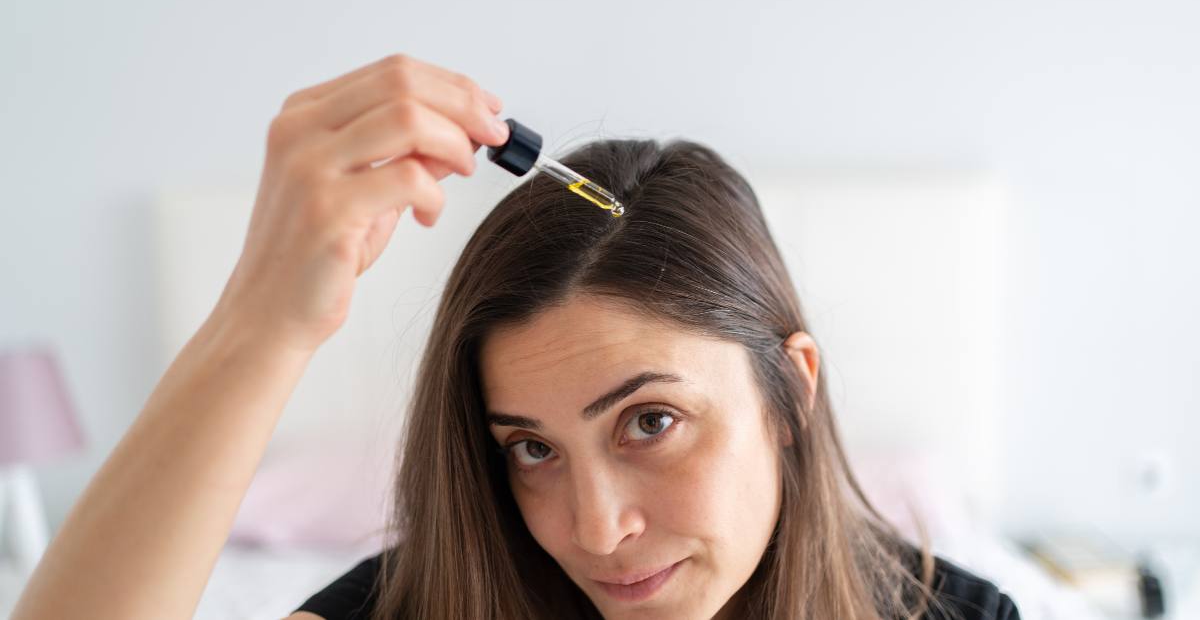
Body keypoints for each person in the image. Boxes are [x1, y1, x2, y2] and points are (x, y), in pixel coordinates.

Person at [12, 54, 1019, 620]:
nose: (592, 528)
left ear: (791, 394)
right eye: (529, 449)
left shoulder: (955, 617)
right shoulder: (431, 606)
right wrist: (260, 325)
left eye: (650, 421)